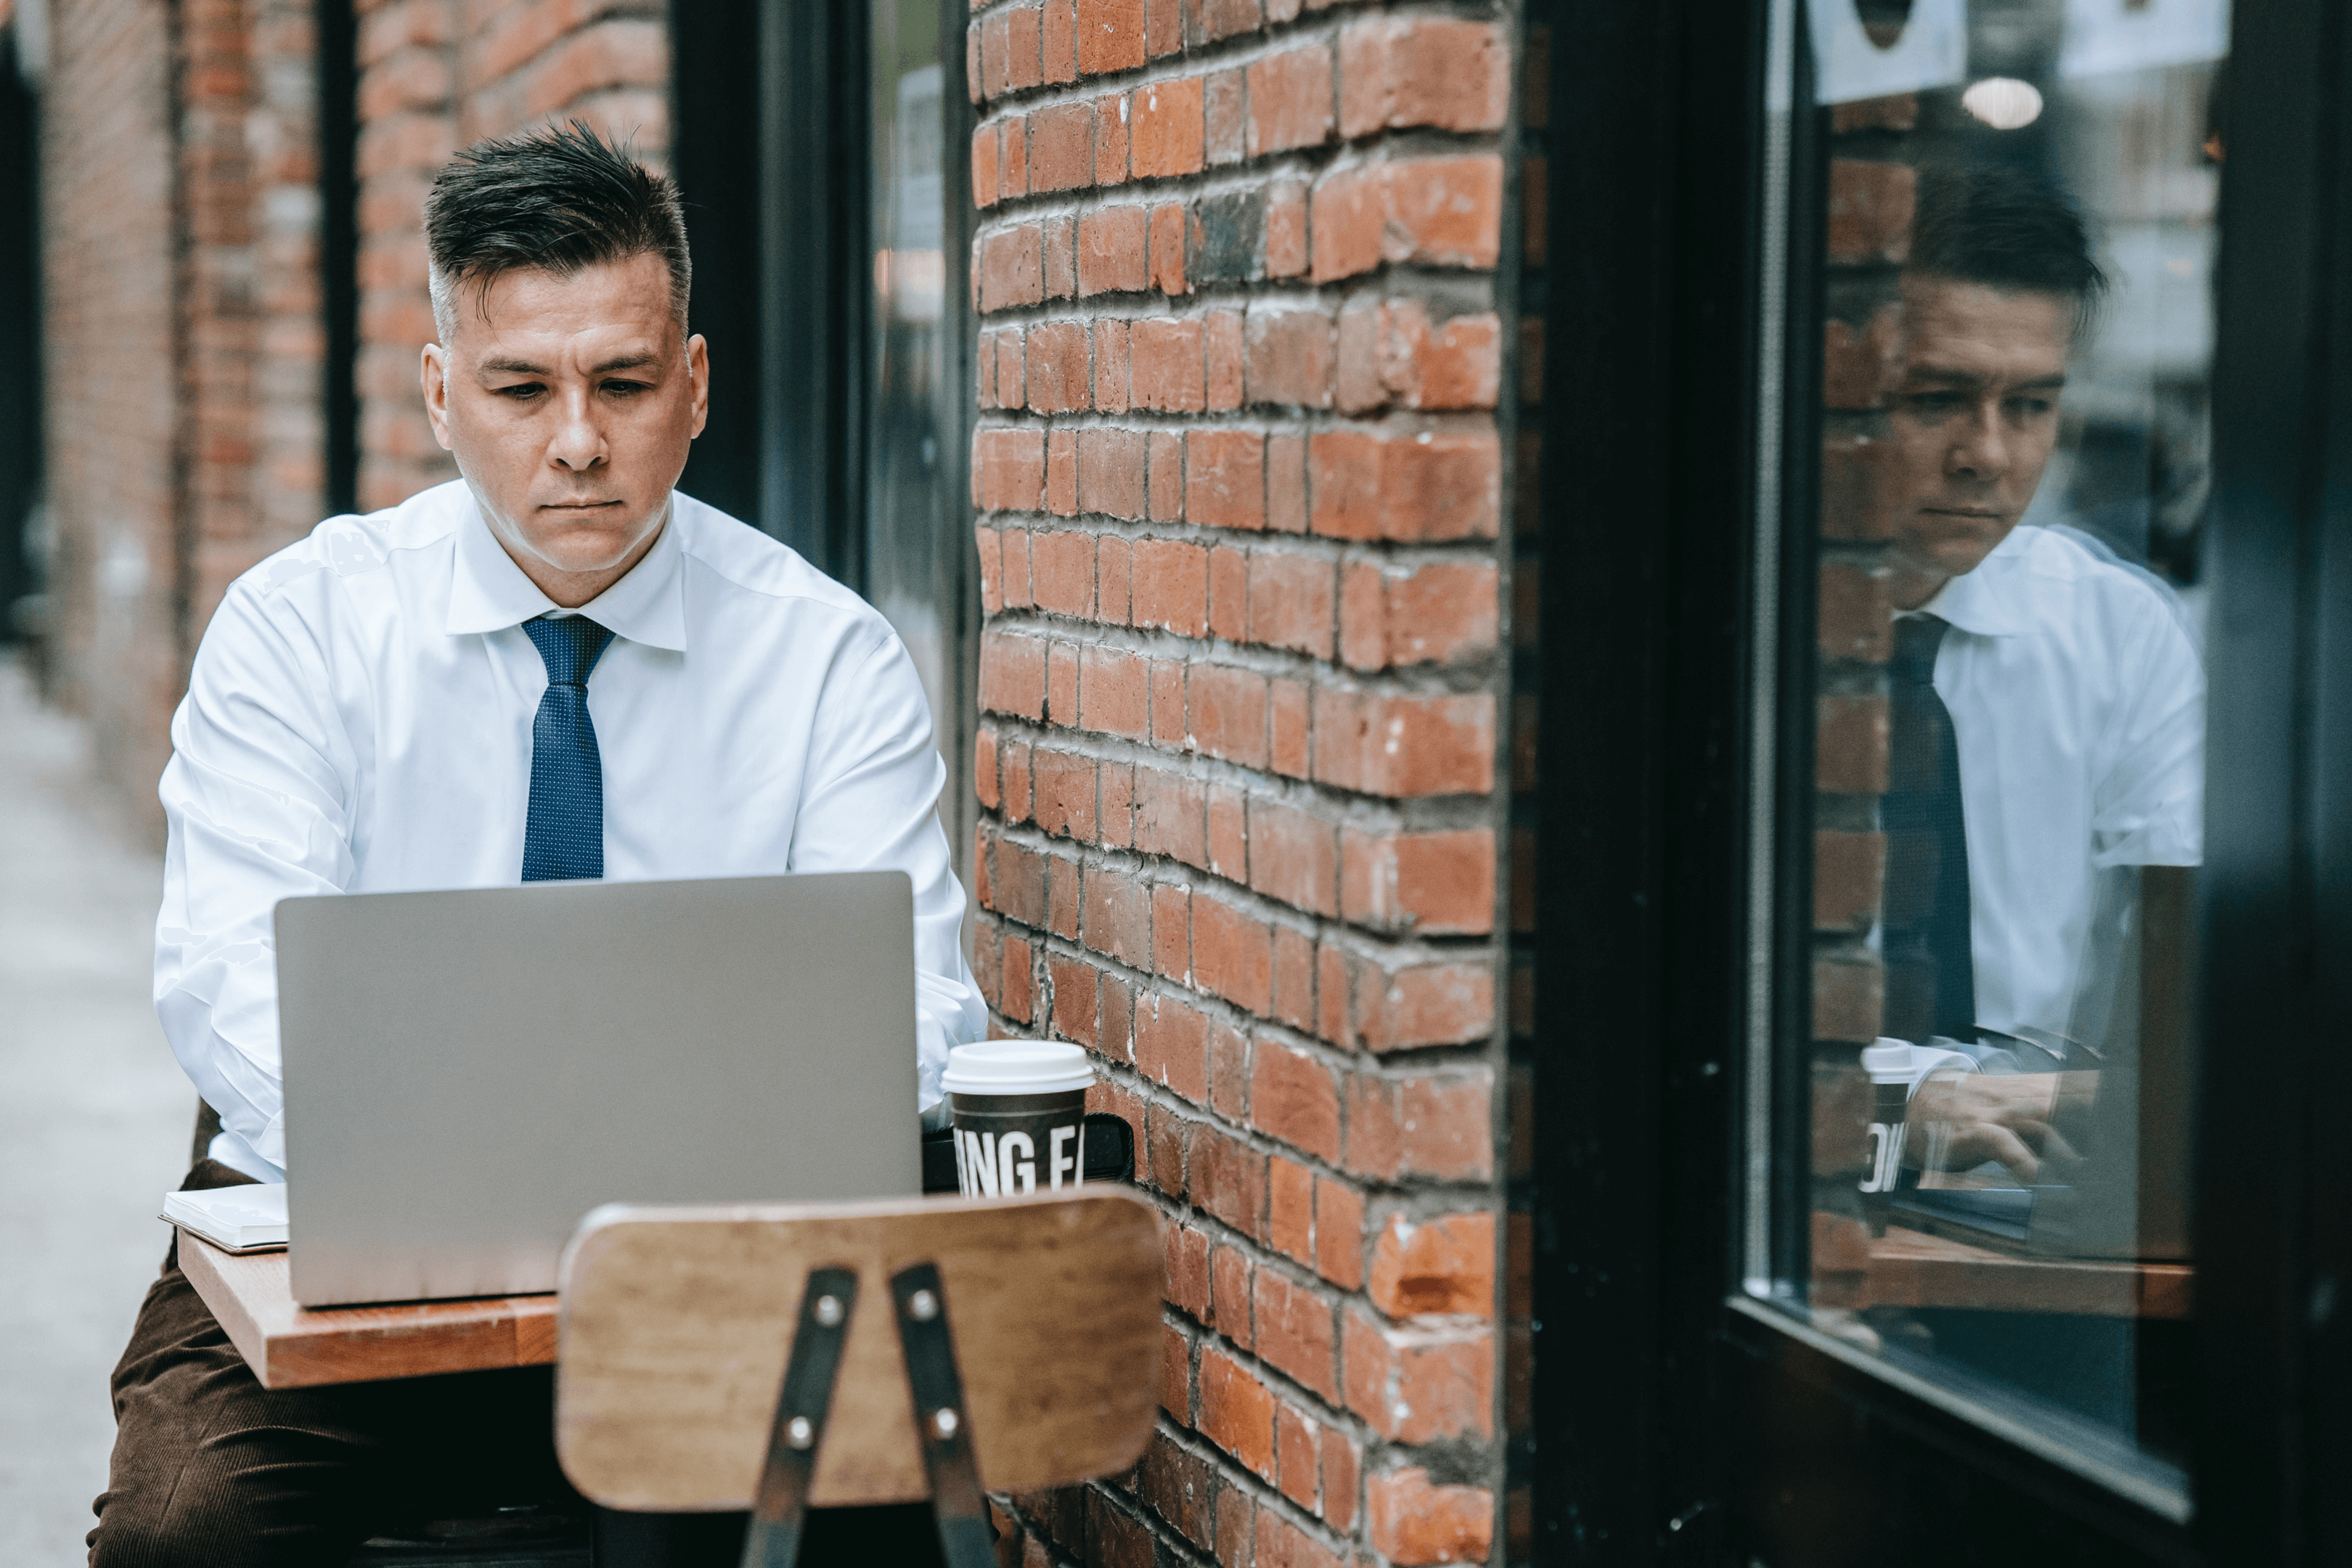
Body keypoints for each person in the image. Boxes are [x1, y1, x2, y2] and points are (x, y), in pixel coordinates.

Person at [91, 123, 984, 1565]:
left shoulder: (828, 658)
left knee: (847, 1525)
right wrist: (461, 1180)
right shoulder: (302, 630)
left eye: (624, 383)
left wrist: (649, 1190)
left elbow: (922, 1015)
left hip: (716, 1271)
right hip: (350, 1251)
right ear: (444, 394)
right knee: (185, 1536)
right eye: (523, 387)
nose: (579, 438)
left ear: (692, 387)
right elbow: (230, 988)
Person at [1872, 163, 2203, 1181]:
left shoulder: (2118, 634)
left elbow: (2181, 1009)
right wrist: (1900, 1104)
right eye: (1937, 399)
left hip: (2043, 1206)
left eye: (2030, 405)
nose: (1989, 455)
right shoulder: (1746, 638)